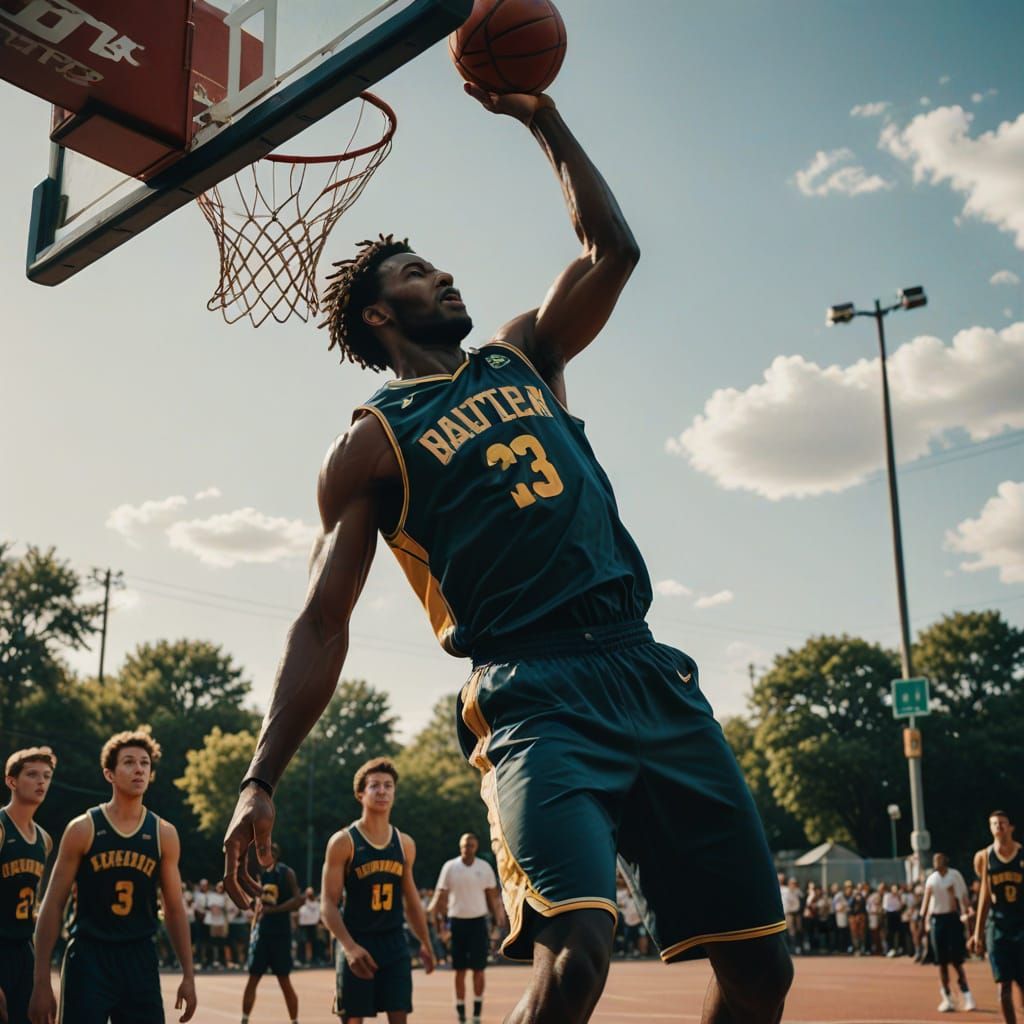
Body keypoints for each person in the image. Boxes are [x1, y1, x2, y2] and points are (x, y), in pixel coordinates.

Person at [221, 80, 792, 1024]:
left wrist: (541, 115)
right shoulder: (371, 444)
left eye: (440, 267)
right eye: (415, 274)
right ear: (378, 315)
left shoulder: (524, 354)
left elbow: (615, 250)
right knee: (578, 956)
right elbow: (324, 620)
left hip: (645, 665)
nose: (443, 277)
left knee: (763, 970)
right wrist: (259, 776)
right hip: (533, 693)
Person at [28, 729, 196, 1024]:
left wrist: (189, 974)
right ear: (110, 774)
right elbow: (53, 904)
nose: (139, 769)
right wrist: (41, 980)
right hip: (89, 956)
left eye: (145, 763)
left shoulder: (163, 834)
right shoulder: (82, 829)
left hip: (139, 957)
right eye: (129, 762)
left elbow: (173, 908)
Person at [320, 757, 434, 1022]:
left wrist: (426, 942)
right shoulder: (343, 842)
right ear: (361, 793)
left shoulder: (405, 843)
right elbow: (327, 904)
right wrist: (348, 947)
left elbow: (411, 899)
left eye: (388, 785)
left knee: (399, 1017)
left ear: (394, 792)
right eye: (374, 786)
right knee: (353, 1019)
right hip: (357, 939)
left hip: (394, 943)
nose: (382, 791)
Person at [1, 747, 56, 1024]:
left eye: (47, 776)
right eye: (32, 775)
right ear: (11, 781)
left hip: (24, 949)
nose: (41, 782)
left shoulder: (44, 840)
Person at [431, 834, 506, 1024]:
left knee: (479, 970)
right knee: (459, 971)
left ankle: (476, 1014)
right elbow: (441, 898)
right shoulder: (450, 867)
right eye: (464, 845)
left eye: (471, 845)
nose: (467, 848)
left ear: (476, 847)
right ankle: (461, 1012)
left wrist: (498, 923)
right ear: (460, 847)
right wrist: (441, 928)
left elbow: (493, 897)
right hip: (457, 923)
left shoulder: (484, 868)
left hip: (478, 923)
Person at [970, 811, 1024, 1024]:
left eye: (1002, 823)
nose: (998, 827)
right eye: (994, 824)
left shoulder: (1021, 854)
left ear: (1011, 827)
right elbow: (984, 895)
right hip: (998, 925)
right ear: (990, 828)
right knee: (1003, 985)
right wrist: (978, 933)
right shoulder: (984, 856)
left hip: (1021, 923)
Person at [241, 842, 302, 1024]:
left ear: (274, 855)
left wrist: (274, 910)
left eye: (266, 854)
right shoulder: (260, 875)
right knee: (253, 977)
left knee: (284, 980)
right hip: (263, 932)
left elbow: (298, 900)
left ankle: (294, 1021)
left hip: (281, 932)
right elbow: (255, 900)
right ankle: (244, 1019)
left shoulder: (286, 873)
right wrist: (254, 905)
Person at [922, 853, 975, 1012]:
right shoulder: (931, 878)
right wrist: (923, 920)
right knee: (941, 962)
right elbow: (926, 900)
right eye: (934, 860)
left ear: (945, 861)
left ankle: (967, 994)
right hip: (936, 921)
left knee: (957, 960)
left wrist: (967, 913)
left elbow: (963, 897)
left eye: (939, 859)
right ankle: (947, 996)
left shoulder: (954, 875)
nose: (936, 862)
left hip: (951, 919)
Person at [298, 887, 322, 966]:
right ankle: (302, 960)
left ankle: (315, 959)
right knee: (303, 942)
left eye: (311, 894)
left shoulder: (317, 904)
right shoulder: (303, 903)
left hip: (313, 925)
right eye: (308, 894)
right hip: (303, 925)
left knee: (315, 942)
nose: (309, 895)